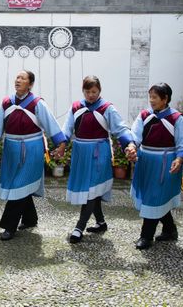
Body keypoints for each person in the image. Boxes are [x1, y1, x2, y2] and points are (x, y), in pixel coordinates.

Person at [0, 70, 66, 241]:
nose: (18, 80)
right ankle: (30, 219)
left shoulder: (37, 103)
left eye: (22, 78)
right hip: (11, 149)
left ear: (30, 84)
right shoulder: (7, 103)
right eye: (17, 77)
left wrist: (61, 144)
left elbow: (51, 124)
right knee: (19, 184)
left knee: (19, 184)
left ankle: (9, 225)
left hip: (32, 148)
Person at [63, 75, 135, 244]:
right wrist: (61, 144)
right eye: (88, 91)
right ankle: (101, 222)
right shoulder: (76, 107)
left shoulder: (107, 108)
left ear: (99, 90)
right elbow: (67, 128)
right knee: (91, 190)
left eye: (94, 91)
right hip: (81, 153)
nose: (91, 95)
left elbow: (120, 129)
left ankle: (79, 227)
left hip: (99, 153)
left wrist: (129, 144)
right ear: (83, 91)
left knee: (91, 190)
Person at [128, 83, 183, 250]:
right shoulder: (144, 116)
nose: (151, 100)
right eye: (150, 97)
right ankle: (170, 230)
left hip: (166, 163)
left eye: (155, 97)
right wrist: (132, 147)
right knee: (156, 198)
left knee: (154, 198)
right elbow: (135, 135)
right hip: (145, 161)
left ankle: (146, 236)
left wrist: (179, 160)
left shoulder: (177, 118)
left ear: (165, 99)